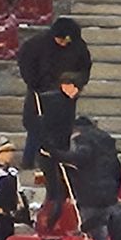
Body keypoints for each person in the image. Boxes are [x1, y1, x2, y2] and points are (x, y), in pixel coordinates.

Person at [17, 18, 92, 170]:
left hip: (66, 97)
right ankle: (30, 162)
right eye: (61, 40)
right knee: (36, 129)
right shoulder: (36, 44)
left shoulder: (78, 46)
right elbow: (27, 67)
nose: (64, 43)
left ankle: (60, 163)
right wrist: (40, 85)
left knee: (63, 131)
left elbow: (84, 69)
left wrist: (75, 84)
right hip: (40, 94)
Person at [48, 116, 121, 240]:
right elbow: (118, 171)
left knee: (92, 234)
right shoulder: (107, 144)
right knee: (112, 234)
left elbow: (81, 157)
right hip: (110, 195)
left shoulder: (84, 139)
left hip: (89, 196)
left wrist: (56, 154)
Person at [34, 74, 82, 230]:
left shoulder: (70, 101)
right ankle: (48, 223)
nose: (77, 92)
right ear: (65, 85)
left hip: (62, 150)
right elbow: (45, 128)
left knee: (63, 189)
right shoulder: (52, 102)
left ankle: (58, 222)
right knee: (55, 190)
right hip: (50, 153)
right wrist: (52, 149)